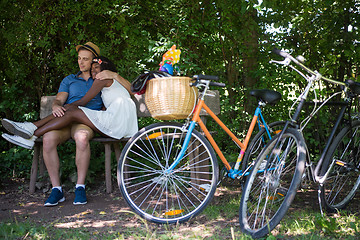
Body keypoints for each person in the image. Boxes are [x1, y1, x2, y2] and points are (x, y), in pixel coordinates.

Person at [1, 43, 130, 207]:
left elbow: (120, 92)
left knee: (81, 138)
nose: (81, 62)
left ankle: (80, 187)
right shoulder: (69, 79)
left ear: (94, 61)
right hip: (62, 120)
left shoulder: (100, 76)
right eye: (79, 59)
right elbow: (59, 99)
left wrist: (113, 75)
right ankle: (56, 190)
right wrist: (55, 105)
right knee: (48, 139)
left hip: (86, 122)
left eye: (85, 59)